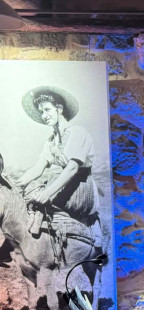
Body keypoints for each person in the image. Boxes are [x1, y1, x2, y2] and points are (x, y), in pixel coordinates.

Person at [13, 86, 100, 229]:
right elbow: (38, 168)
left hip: (80, 187)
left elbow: (72, 168)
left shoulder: (78, 133)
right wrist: (16, 184)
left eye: (47, 110)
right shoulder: (51, 141)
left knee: (41, 204)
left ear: (59, 109)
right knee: (29, 199)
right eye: (41, 112)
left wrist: (47, 193)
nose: (44, 115)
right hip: (62, 184)